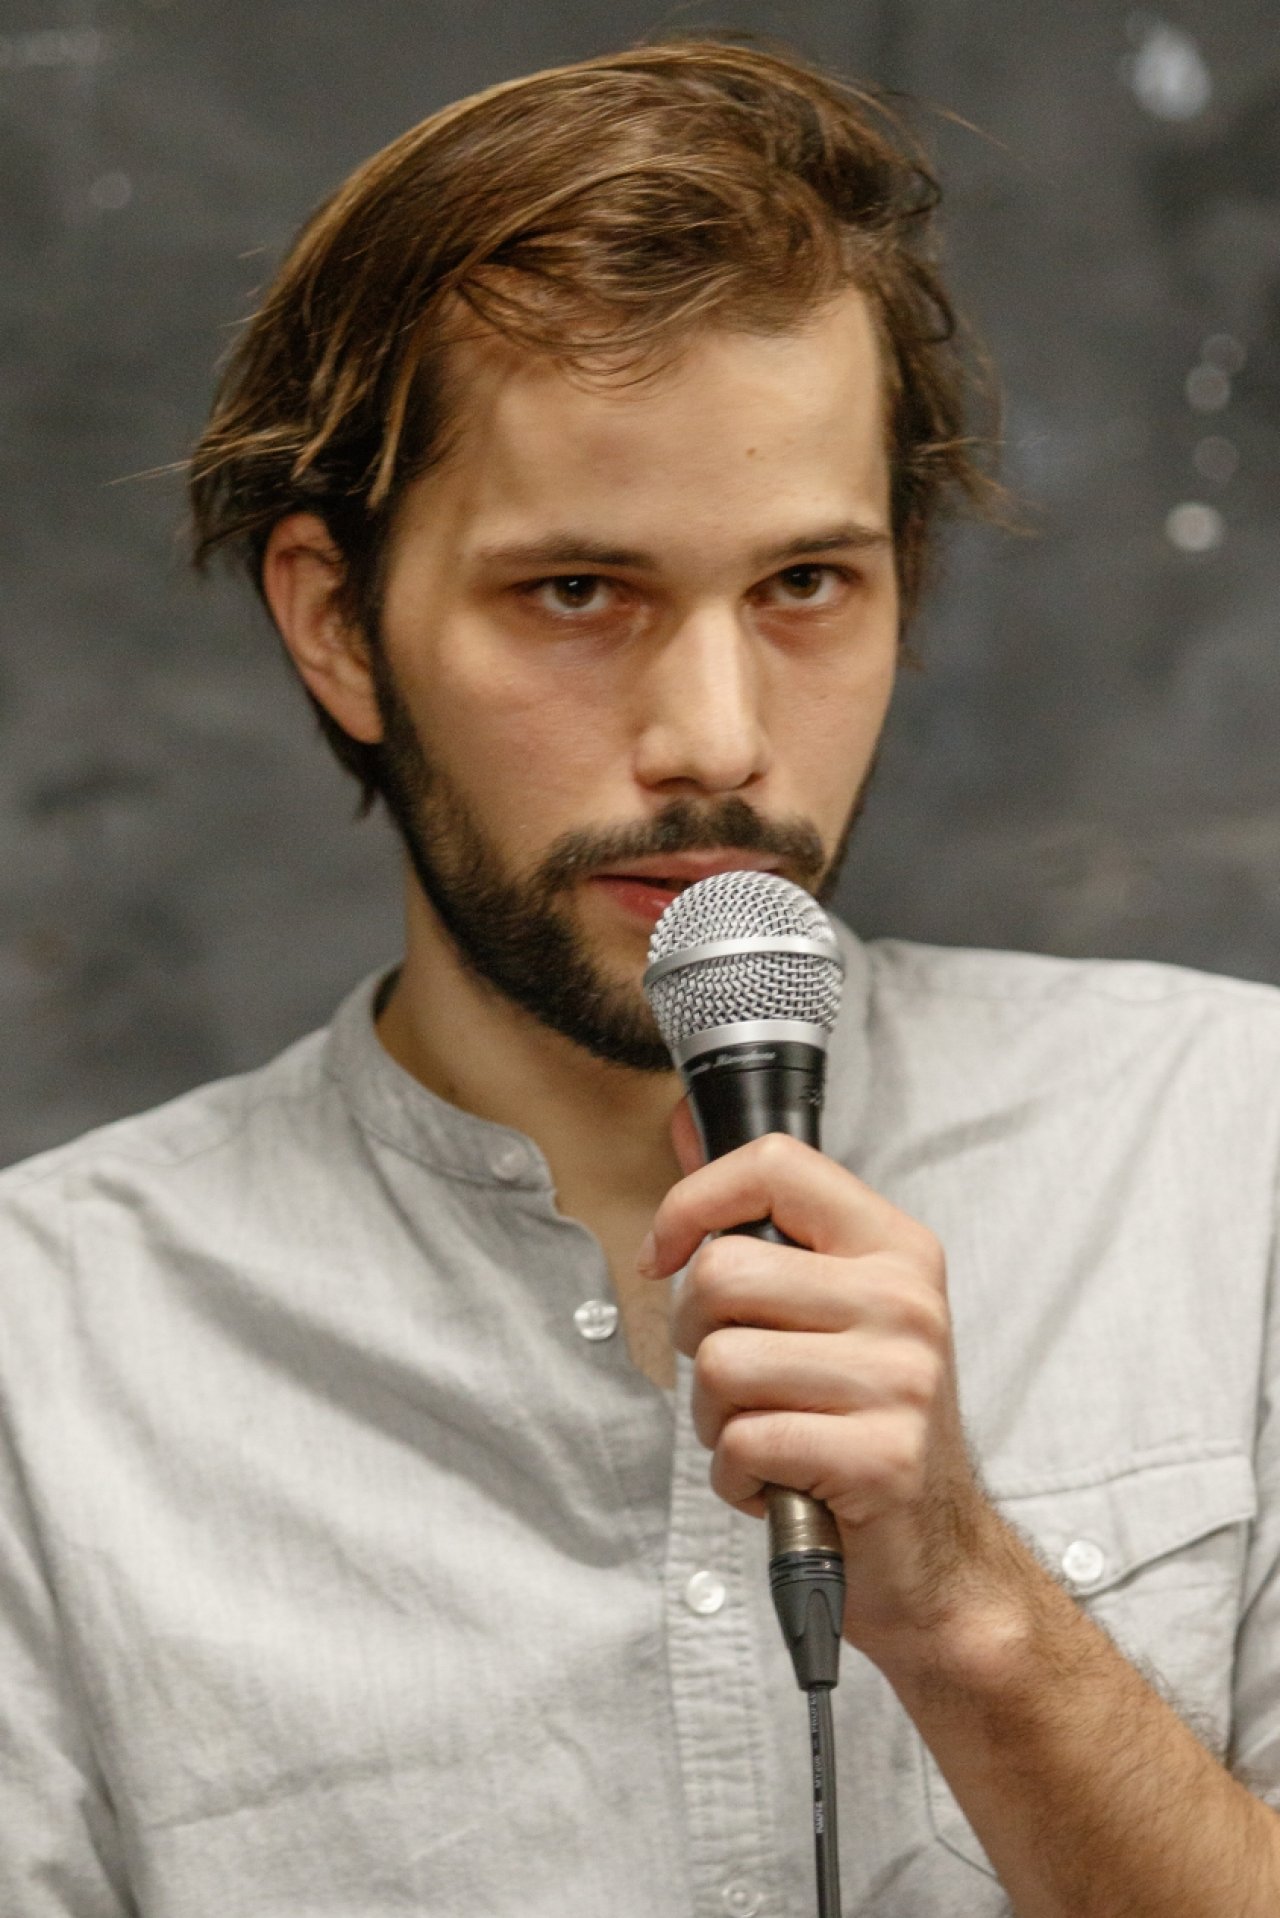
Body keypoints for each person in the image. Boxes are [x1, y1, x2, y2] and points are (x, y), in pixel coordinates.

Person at [2, 36, 1278, 1918]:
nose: (717, 740)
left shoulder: (1237, 1151)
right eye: (578, 593)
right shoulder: (47, 1357)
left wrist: (973, 1609)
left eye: (805, 585)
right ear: (339, 625)